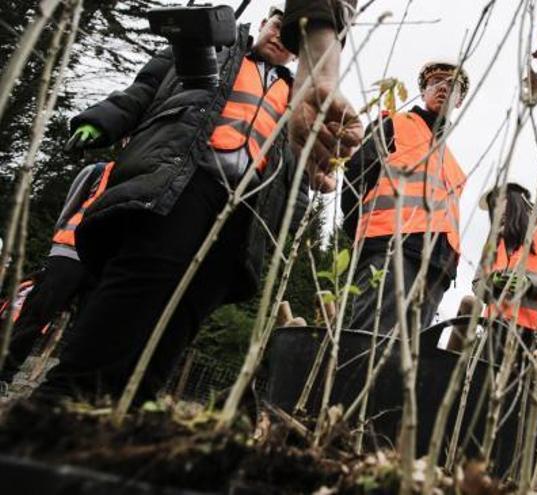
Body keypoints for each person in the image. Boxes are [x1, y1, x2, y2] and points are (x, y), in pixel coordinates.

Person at [37, 3, 360, 403]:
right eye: (275, 25)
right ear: (261, 25)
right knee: (143, 277)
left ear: (297, 50)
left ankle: (129, 408)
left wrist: (289, 221)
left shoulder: (298, 96)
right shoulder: (211, 50)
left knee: (190, 306)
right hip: (183, 181)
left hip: (245, 209)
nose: (278, 35)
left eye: (287, 34)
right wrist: (101, 119)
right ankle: (61, 398)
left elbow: (295, 171)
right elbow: (143, 90)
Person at [342, 60, 469, 334]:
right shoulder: (393, 125)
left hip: (437, 267)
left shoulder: (454, 165)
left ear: (459, 101)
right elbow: (355, 176)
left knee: (407, 358)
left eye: (454, 85)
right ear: (423, 92)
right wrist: (360, 236)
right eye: (436, 82)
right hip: (390, 248)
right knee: (370, 340)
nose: (444, 87)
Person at [0, 162, 111, 386]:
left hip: (105, 265)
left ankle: (65, 388)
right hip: (68, 253)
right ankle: (4, 372)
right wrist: (61, 238)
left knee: (90, 328)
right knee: (35, 315)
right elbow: (70, 206)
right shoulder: (98, 171)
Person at [474, 182, 537, 355]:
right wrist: (492, 284)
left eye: (500, 201)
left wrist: (529, 283)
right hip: (495, 332)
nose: (496, 210)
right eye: (492, 206)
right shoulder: (493, 241)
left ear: (517, 199)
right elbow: (477, 284)